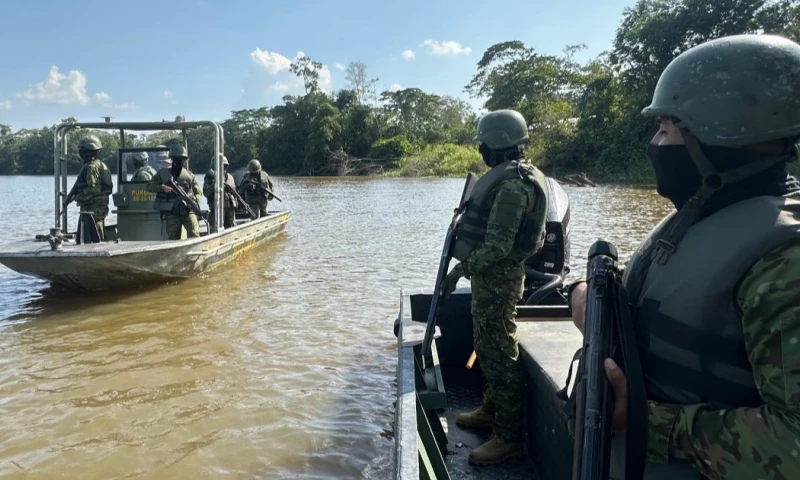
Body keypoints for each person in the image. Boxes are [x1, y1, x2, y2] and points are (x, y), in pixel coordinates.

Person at [568, 34, 800, 479]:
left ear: (714, 135)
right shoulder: (703, 214)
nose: (655, 142)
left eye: (666, 126)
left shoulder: (784, 261)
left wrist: (649, 423)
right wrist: (593, 311)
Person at [439, 109, 550, 465]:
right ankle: (491, 408)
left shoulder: (512, 187)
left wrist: (459, 272)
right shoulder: (505, 179)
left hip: (499, 281)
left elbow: (499, 247)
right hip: (489, 280)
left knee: (501, 355)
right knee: (486, 347)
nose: (482, 150)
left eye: (484, 143)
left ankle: (508, 435)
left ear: (497, 144)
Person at [63, 135, 114, 241]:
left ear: (87, 151)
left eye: (81, 150)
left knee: (93, 237)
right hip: (97, 209)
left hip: (92, 209)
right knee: (97, 234)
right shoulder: (99, 165)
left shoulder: (91, 167)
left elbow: (93, 189)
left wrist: (76, 198)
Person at [147, 144, 202, 240]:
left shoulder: (189, 176)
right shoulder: (162, 174)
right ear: (172, 159)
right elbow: (148, 186)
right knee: (173, 238)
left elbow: (199, 192)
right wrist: (162, 187)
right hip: (172, 212)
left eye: (182, 159)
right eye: (177, 159)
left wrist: (193, 200)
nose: (181, 161)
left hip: (187, 210)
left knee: (194, 234)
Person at [203, 154, 238, 232]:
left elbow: (235, 193)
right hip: (216, 210)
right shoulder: (210, 177)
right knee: (214, 231)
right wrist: (216, 183)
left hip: (230, 210)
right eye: (220, 166)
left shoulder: (230, 177)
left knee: (231, 230)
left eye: (224, 166)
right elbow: (206, 193)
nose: (223, 168)